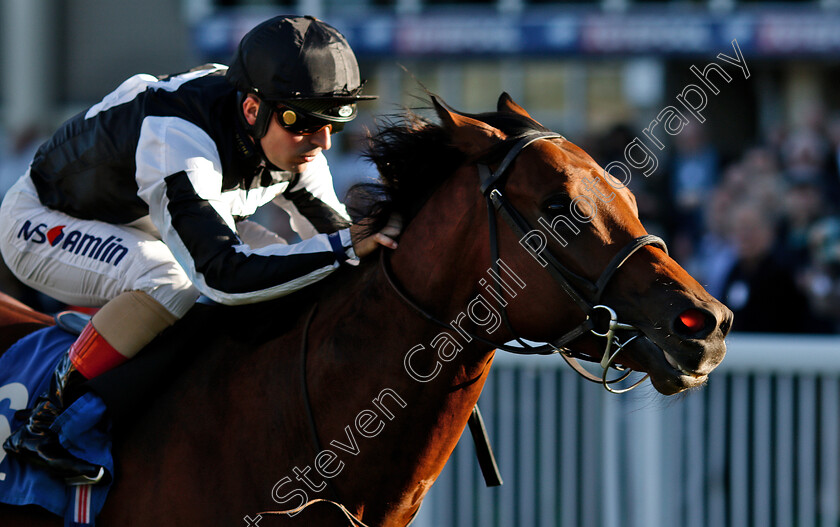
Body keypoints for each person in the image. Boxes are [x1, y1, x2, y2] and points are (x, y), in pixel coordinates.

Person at [0, 15, 399, 481]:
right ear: (252, 110)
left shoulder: (286, 131)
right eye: (306, 122)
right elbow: (221, 276)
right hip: (42, 221)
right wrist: (343, 247)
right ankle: (45, 421)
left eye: (333, 121)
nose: (322, 140)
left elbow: (340, 238)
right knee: (170, 281)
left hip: (145, 217)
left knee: (287, 264)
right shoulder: (180, 135)